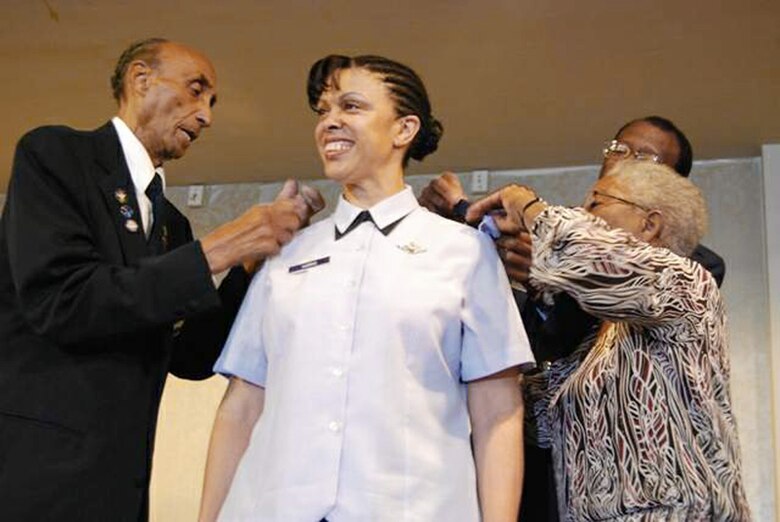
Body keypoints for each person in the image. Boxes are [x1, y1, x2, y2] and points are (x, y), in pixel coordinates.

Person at [199, 54, 534, 522]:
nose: (330, 122)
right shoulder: (287, 254)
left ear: (404, 129)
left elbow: (498, 410)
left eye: (351, 107)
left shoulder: (464, 252)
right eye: (323, 112)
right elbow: (241, 406)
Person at [0, 38, 323, 522]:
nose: (206, 116)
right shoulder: (56, 156)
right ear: (140, 79)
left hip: (120, 486)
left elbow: (192, 358)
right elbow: (65, 300)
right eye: (196, 91)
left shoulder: (172, 224)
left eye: (211, 102)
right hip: (36, 475)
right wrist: (222, 246)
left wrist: (248, 262)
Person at [419, 115, 725, 520]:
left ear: (656, 216)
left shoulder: (689, 274)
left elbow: (606, 271)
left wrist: (531, 216)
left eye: (644, 157)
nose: (623, 160)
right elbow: (541, 385)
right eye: (618, 149)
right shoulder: (567, 296)